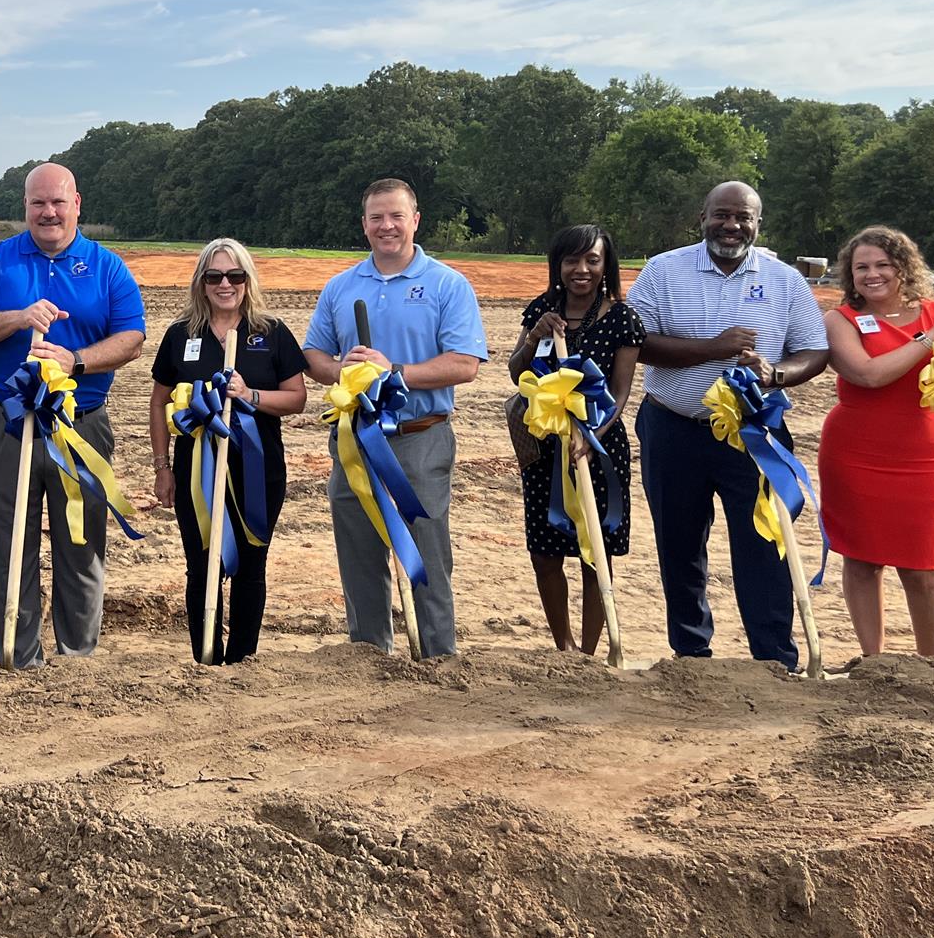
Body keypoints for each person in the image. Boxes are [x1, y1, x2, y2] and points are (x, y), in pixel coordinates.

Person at [626, 180, 829, 668]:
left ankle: (773, 657)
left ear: (758, 224)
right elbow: (637, 342)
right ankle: (691, 652)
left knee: (765, 542)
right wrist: (713, 348)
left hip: (754, 432)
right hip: (674, 427)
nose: (731, 225)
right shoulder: (662, 270)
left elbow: (814, 349)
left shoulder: (785, 280)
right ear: (702, 217)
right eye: (721, 215)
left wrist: (778, 374)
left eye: (743, 217)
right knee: (679, 543)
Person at [0, 162, 145, 669]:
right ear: (25, 208)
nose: (48, 212)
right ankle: (19, 660)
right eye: (38, 203)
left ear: (77, 204)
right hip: (8, 424)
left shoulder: (108, 266)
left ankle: (76, 659)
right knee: (11, 543)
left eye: (58, 202)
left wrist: (75, 361)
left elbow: (132, 338)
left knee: (80, 542)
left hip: (81, 424)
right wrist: (17, 318)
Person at [302, 179, 487, 657]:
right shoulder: (341, 287)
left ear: (415, 220)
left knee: (425, 550)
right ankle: (367, 652)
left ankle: (437, 655)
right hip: (356, 439)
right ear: (364, 225)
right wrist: (341, 369)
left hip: (419, 436)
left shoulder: (447, 283)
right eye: (377, 218)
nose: (387, 226)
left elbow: (465, 363)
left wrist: (395, 371)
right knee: (359, 548)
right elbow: (314, 356)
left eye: (396, 216)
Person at [148, 238, 309, 662]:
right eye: (215, 275)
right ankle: (206, 658)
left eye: (234, 275)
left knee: (252, 564)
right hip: (196, 467)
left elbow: (296, 398)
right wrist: (162, 467)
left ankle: (242, 660)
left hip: (258, 468)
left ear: (247, 280)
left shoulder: (270, 333)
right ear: (201, 282)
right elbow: (159, 400)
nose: (225, 284)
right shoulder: (181, 335)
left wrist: (250, 394)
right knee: (203, 565)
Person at [818, 227, 934, 657]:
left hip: (924, 451)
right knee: (862, 559)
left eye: (883, 264)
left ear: (903, 267)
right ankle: (874, 660)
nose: (873, 275)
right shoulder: (839, 320)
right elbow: (868, 375)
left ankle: (931, 662)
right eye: (862, 267)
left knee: (923, 565)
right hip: (855, 451)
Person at [505, 224, 644, 654]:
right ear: (558, 265)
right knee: (545, 551)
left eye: (592, 260)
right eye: (571, 260)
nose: (581, 270)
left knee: (593, 550)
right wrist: (534, 337)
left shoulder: (623, 318)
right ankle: (563, 648)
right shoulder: (542, 310)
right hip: (545, 445)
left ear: (606, 266)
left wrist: (592, 436)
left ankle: (589, 652)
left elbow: (620, 392)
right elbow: (516, 372)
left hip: (598, 447)